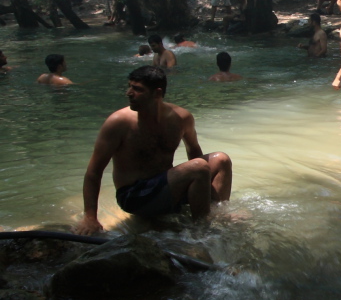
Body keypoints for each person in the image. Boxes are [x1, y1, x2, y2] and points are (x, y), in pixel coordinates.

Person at [74, 65, 232, 233]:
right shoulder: (118, 122)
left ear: (157, 93)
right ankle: (202, 232)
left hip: (166, 187)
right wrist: (90, 217)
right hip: (134, 196)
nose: (128, 93)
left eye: (137, 89)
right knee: (198, 168)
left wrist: (198, 187)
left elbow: (194, 151)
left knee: (221, 159)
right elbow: (94, 171)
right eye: (129, 86)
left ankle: (217, 214)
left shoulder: (181, 118)